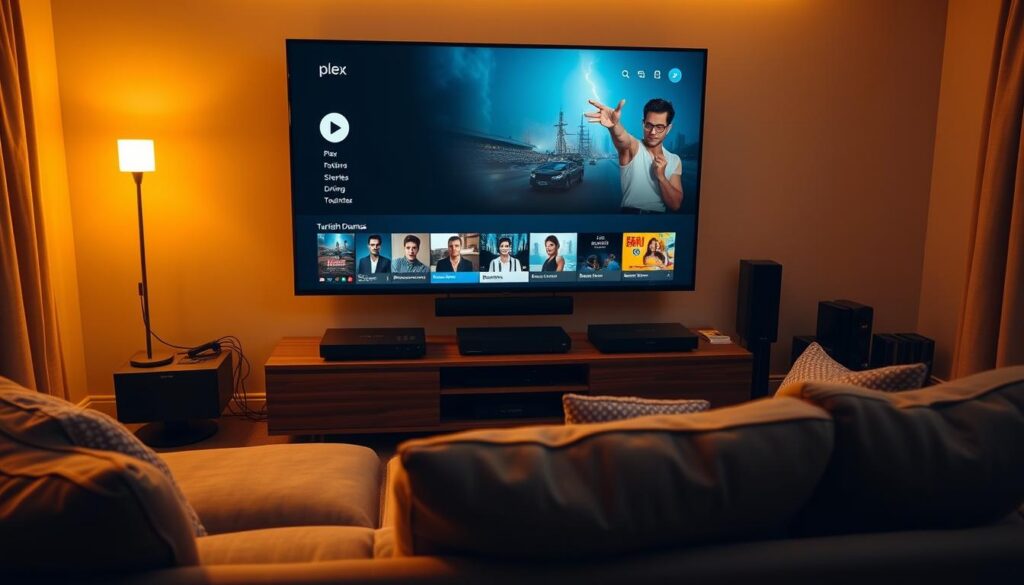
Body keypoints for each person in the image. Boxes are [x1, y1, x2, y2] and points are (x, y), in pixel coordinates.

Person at [585, 97, 684, 213]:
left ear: (668, 128)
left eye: (659, 127)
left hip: (658, 224)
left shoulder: (674, 160)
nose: (652, 132)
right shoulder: (633, 147)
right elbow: (622, 137)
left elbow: (675, 205)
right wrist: (614, 126)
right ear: (643, 124)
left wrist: (661, 177)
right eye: (649, 125)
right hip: (630, 219)